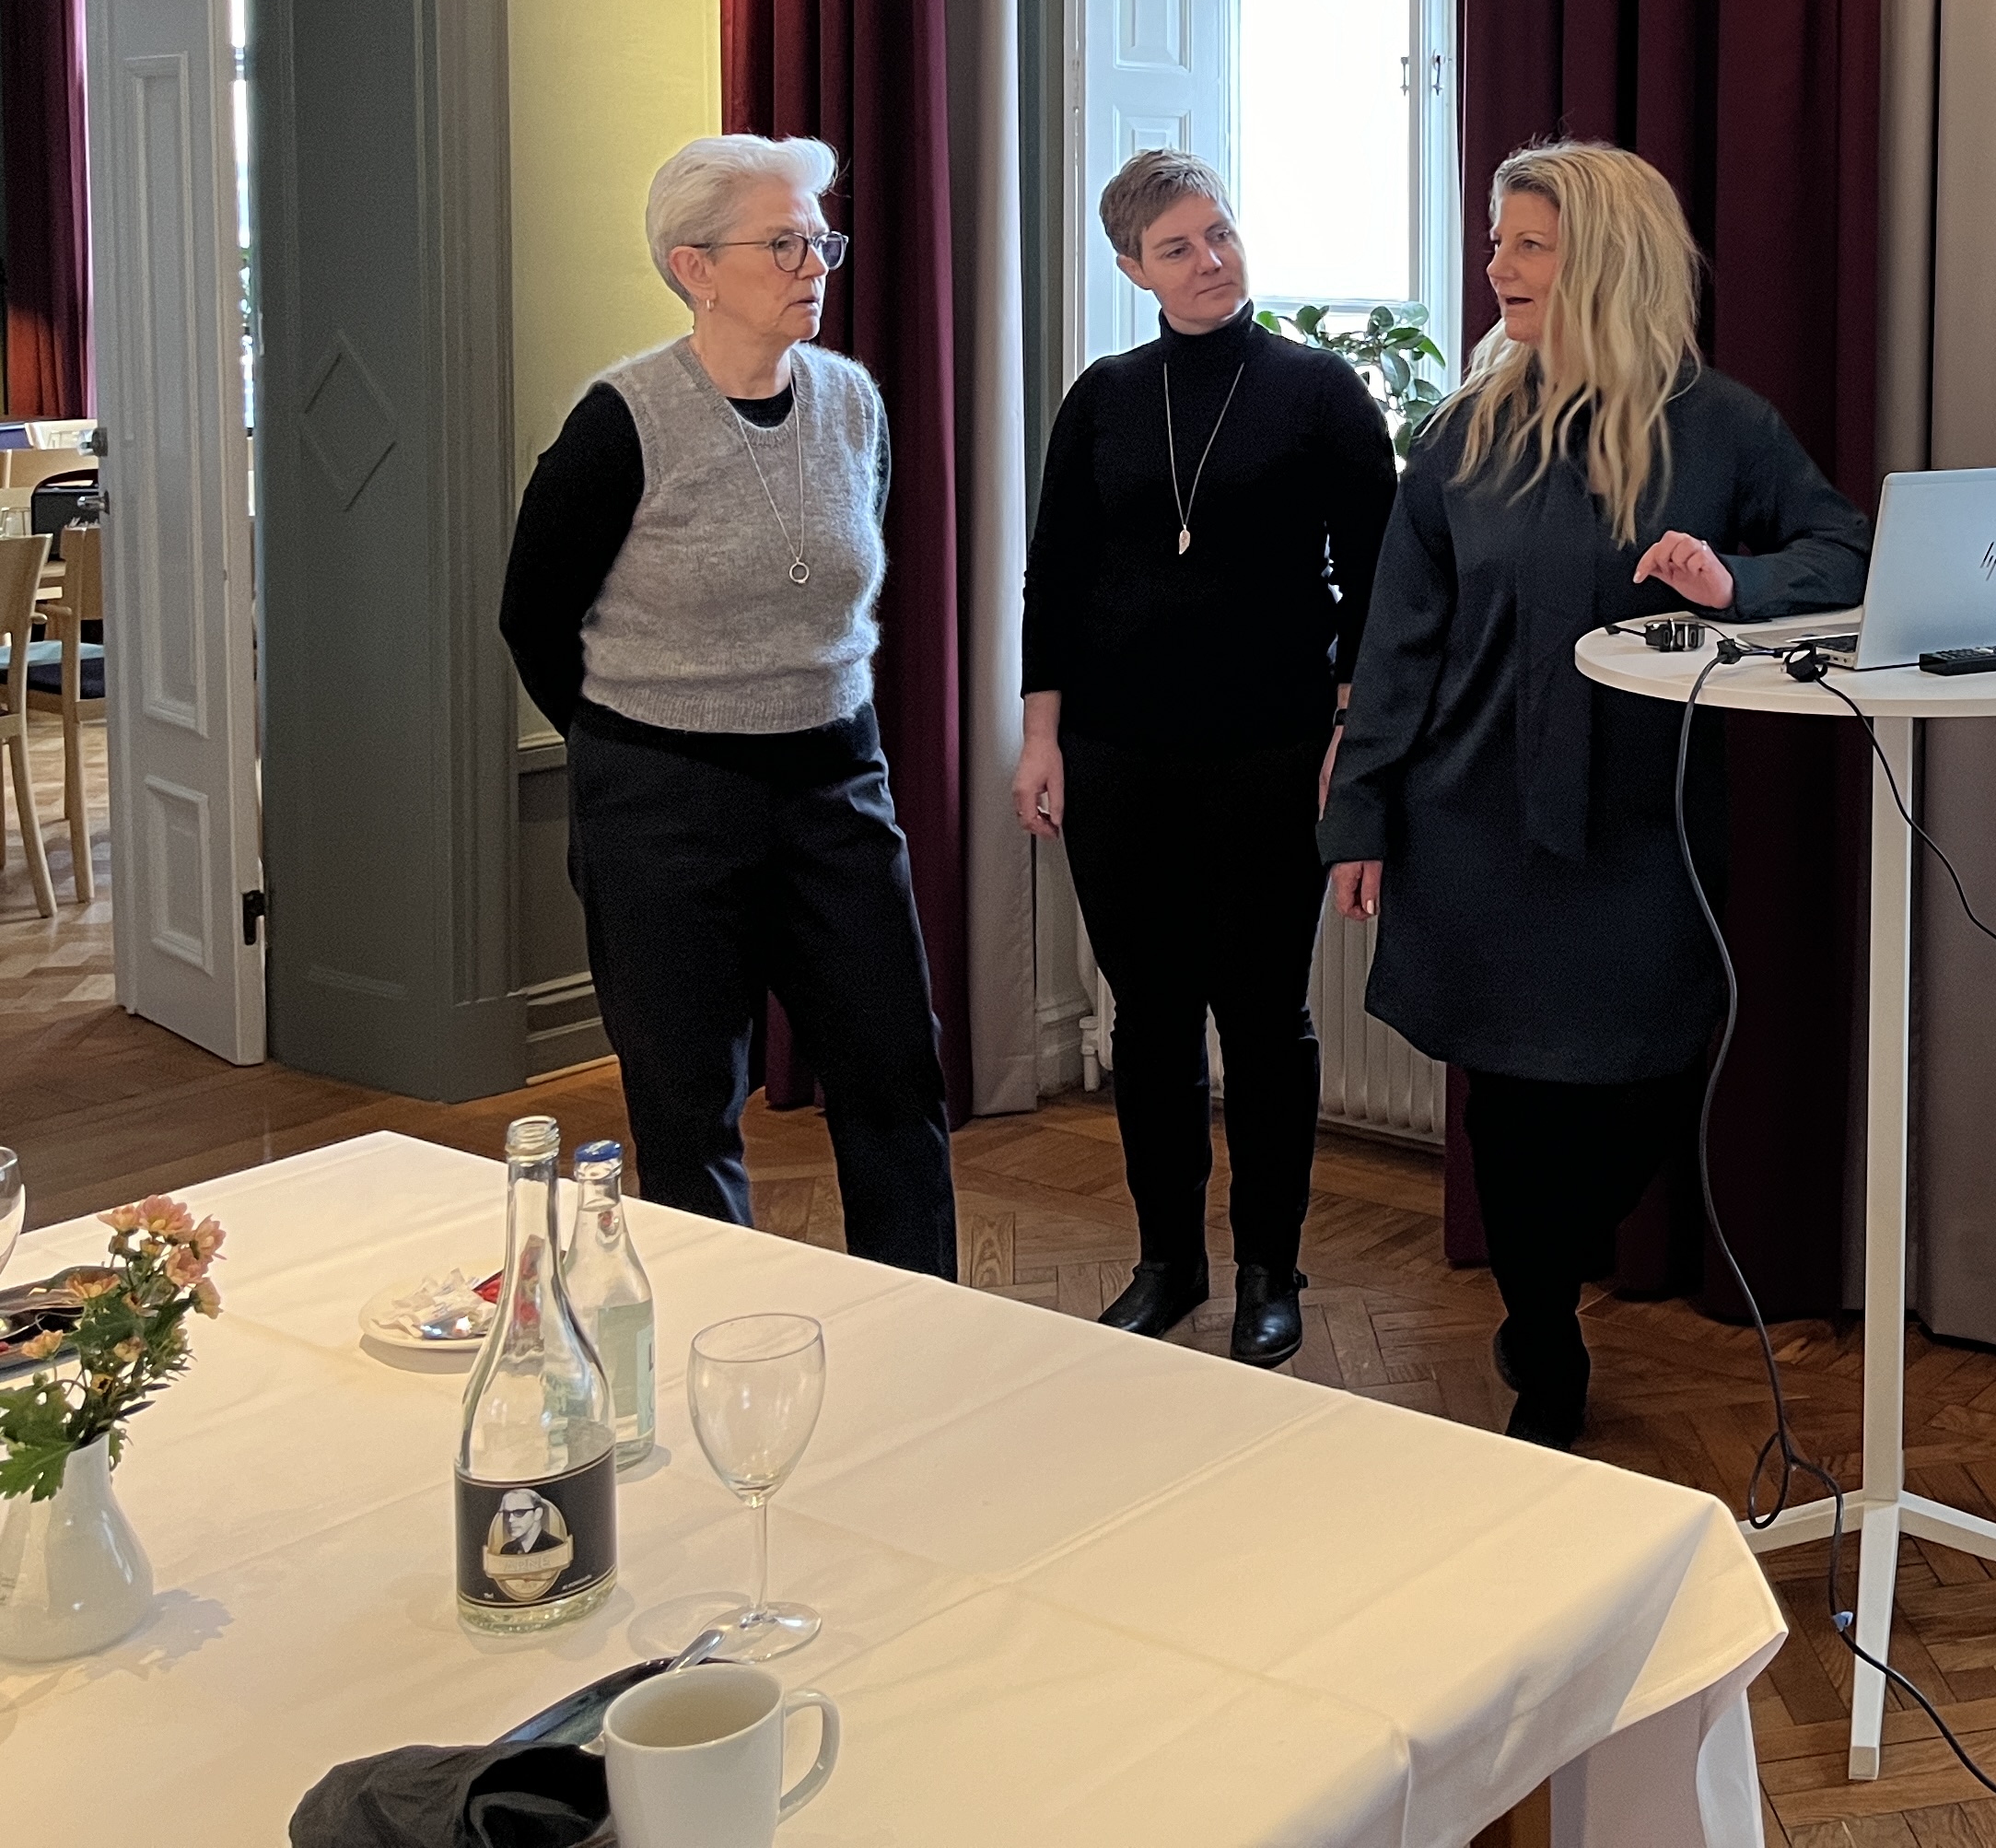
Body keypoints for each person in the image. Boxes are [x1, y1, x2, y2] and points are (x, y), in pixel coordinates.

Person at [1324, 140, 1868, 1446]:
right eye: (1497, 242)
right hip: (1474, 821)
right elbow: (1396, 644)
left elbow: (1845, 548)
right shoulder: (1462, 436)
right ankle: (1544, 1339)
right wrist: (1360, 816)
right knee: (1511, 1108)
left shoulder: (1720, 425)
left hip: (1643, 832)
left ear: (1607, 262)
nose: (1497, 267)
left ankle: (1546, 1280)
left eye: (1530, 245)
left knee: (1648, 1090)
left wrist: (1738, 585)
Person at [497, 135, 957, 1280]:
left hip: (836, 778)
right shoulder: (624, 421)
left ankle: (929, 1331)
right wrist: (636, 744)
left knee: (895, 1074)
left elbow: (836, 580)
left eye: (821, 241)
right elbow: (533, 616)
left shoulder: (850, 402)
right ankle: (713, 1330)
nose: (815, 266)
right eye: (784, 243)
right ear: (694, 267)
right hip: (664, 798)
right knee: (688, 1096)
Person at [1015, 150, 1395, 1363]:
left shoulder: (1320, 391)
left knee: (1266, 1020)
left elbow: (1377, 582)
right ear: (1134, 270)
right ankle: (1167, 1261)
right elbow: (1054, 578)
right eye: (1176, 248)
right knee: (1151, 1021)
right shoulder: (1104, 398)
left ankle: (1270, 1270)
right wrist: (1041, 737)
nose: (1210, 262)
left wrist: (1349, 737)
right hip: (1116, 757)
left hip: (1272, 754)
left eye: (1219, 233)